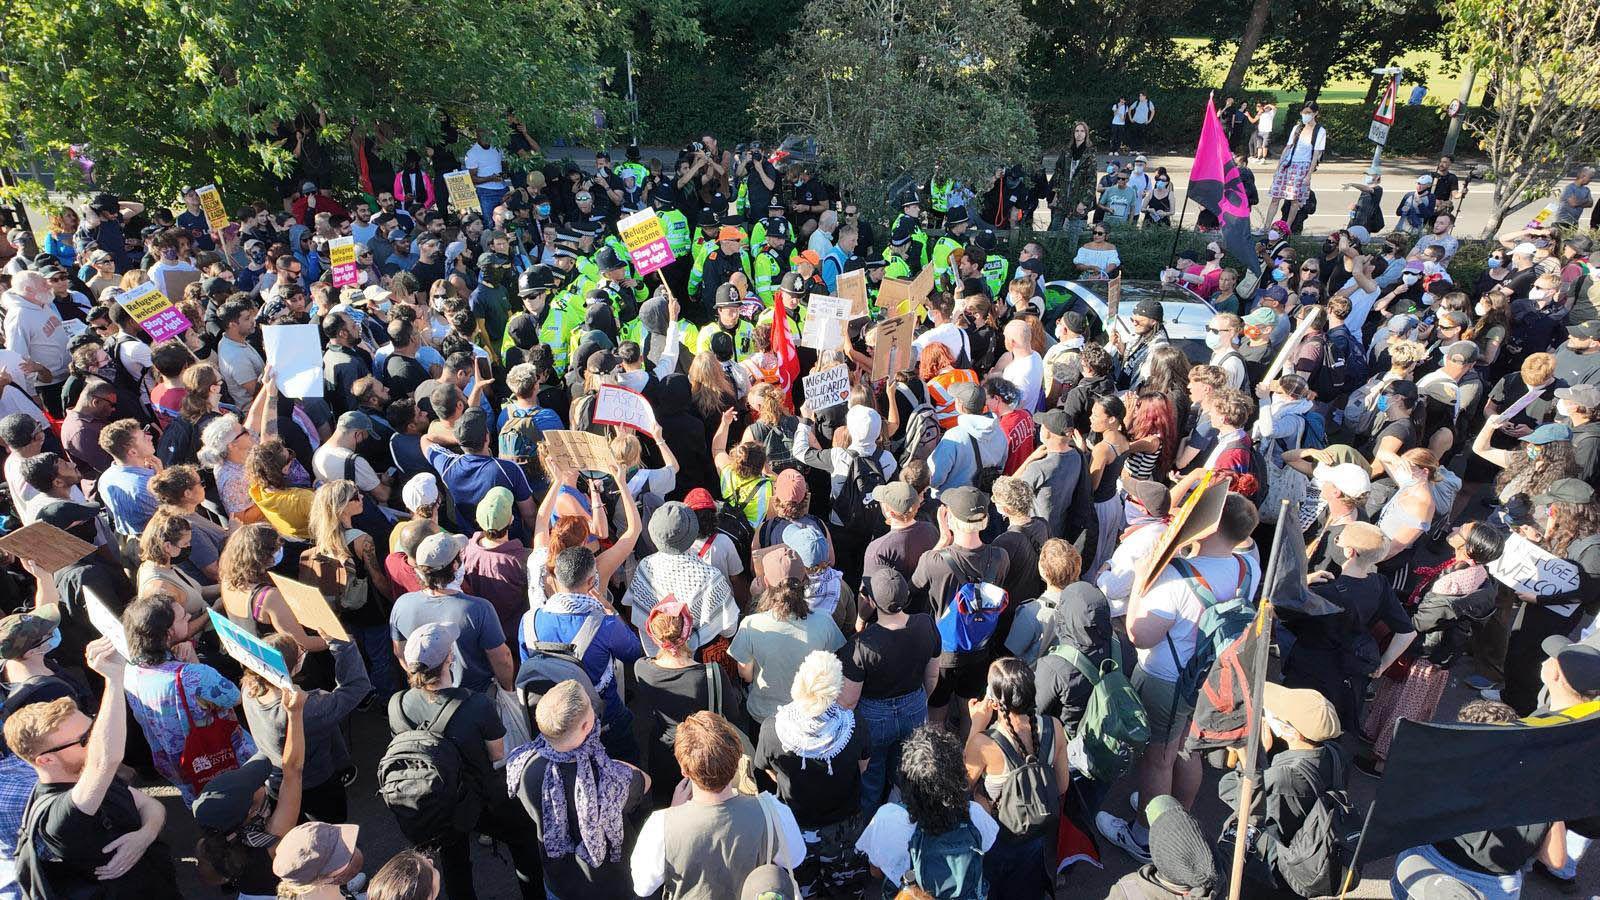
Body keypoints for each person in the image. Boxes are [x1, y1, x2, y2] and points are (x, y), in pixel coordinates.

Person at [1099, 493, 1259, 863]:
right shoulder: (1246, 566)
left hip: (1167, 680)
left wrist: (1141, 581)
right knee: (1187, 749)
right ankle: (1177, 812)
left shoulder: (1176, 577)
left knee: (1160, 759)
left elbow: (1141, 635)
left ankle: (1144, 836)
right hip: (1207, 676)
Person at [5, 639, 177, 897]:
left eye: (93, 729)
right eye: (86, 739)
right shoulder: (57, 820)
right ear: (46, 760)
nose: (95, 742)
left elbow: (150, 804)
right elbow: (105, 759)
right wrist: (114, 680)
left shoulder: (82, 773)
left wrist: (145, 835)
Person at [392, 622, 543, 900]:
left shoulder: (398, 703)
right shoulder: (476, 705)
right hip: (482, 797)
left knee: (453, 859)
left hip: (436, 800)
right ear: (450, 658)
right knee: (523, 840)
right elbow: (498, 755)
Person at [629, 711, 806, 898]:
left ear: (684, 769)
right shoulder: (772, 811)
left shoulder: (660, 825)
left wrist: (673, 812)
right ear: (737, 759)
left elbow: (643, 886)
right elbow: (795, 858)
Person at [508, 679, 648, 898]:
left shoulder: (523, 765)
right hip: (610, 886)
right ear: (586, 726)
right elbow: (644, 782)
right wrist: (620, 766)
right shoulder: (610, 778)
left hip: (559, 884)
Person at [120, 594, 257, 804]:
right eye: (183, 618)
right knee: (246, 800)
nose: (190, 616)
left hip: (176, 765)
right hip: (221, 756)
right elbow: (234, 697)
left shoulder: (130, 671)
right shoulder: (195, 676)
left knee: (202, 803)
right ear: (168, 633)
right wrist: (193, 662)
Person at [754, 651, 870, 896]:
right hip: (843, 831)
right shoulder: (853, 724)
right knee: (844, 892)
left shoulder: (772, 729)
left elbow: (764, 771)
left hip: (794, 831)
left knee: (800, 890)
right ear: (836, 690)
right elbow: (862, 766)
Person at [1219, 683, 1347, 896]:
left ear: (1288, 730)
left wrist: (1254, 756)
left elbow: (1230, 790)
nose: (1266, 715)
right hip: (1305, 852)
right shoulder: (1335, 753)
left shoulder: (1283, 777)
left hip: (1272, 869)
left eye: (1271, 714)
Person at [963, 657, 1070, 897]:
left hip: (999, 835)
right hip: (1037, 833)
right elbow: (1061, 786)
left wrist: (976, 726)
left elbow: (961, 787)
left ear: (993, 700)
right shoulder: (1054, 727)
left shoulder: (984, 743)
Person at [856, 725, 998, 898]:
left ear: (906, 779)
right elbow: (986, 854)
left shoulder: (887, 818)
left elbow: (875, 872)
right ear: (958, 774)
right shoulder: (975, 814)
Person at [190, 699, 305, 899]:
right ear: (251, 812)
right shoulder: (270, 843)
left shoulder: (208, 845)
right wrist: (295, 713)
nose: (262, 783)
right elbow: (293, 771)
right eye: (257, 784)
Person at [1106, 795, 1219, 900]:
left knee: (1159, 802)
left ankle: (1136, 838)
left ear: (1157, 855)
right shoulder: (1227, 870)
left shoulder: (1127, 891)